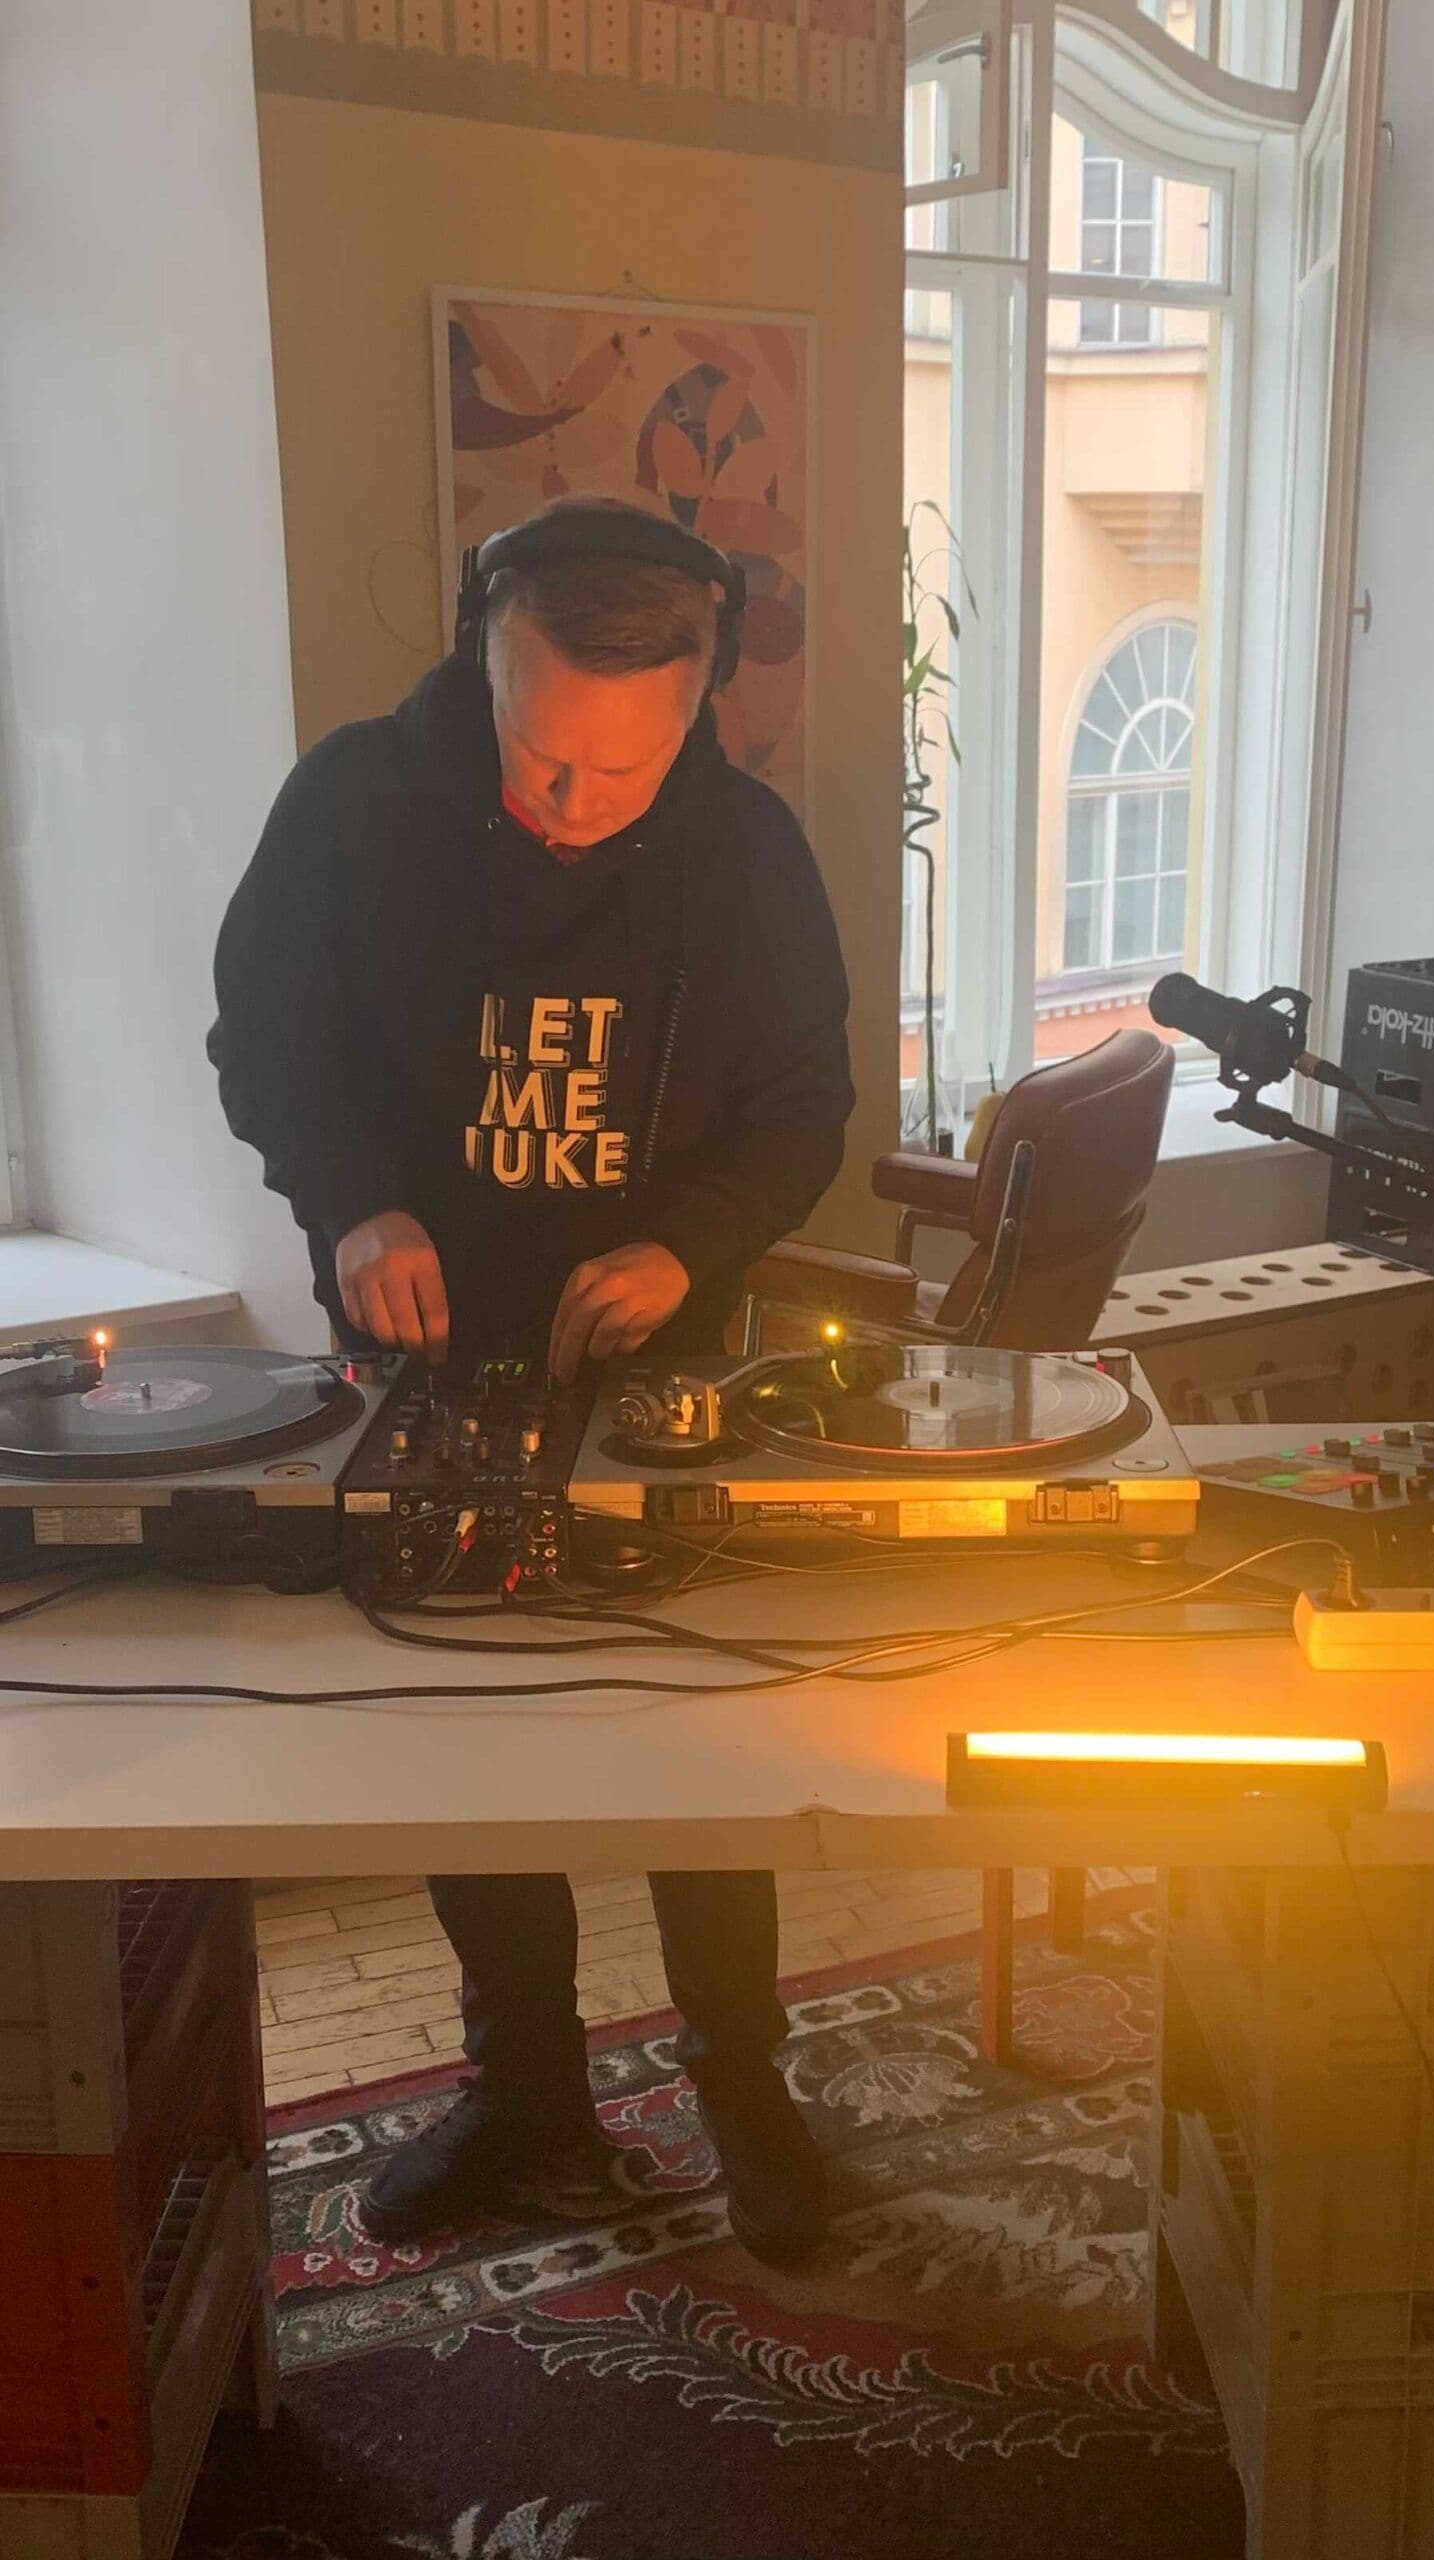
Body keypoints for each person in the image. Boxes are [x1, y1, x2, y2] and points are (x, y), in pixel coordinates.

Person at [210, 496, 855, 2264]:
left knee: (698, 1741)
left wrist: (687, 1247)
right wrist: (354, 1202)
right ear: (480, 657)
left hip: (660, 1362)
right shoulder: (351, 803)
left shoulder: (751, 855)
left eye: (617, 772)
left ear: (701, 697)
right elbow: (264, 1041)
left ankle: (742, 2081)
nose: (567, 803)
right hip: (422, 1343)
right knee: (468, 1735)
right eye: (536, 752)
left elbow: (804, 1110)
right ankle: (527, 2092)